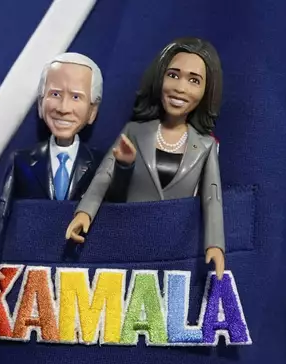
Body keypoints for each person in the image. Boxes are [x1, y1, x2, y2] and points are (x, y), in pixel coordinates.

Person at [65, 37, 226, 279]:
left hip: (174, 251)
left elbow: (213, 198)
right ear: (159, 77)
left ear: (206, 91)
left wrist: (215, 245)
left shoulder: (205, 147)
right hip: (127, 243)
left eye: (194, 80)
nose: (181, 88)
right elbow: (104, 175)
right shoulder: (135, 131)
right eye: (173, 75)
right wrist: (84, 213)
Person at [0, 52, 104, 302]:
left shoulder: (102, 164)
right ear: (40, 102)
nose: (63, 107)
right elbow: (0, 213)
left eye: (77, 97)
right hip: (31, 273)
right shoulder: (21, 160)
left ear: (92, 111)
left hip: (82, 277)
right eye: (55, 94)